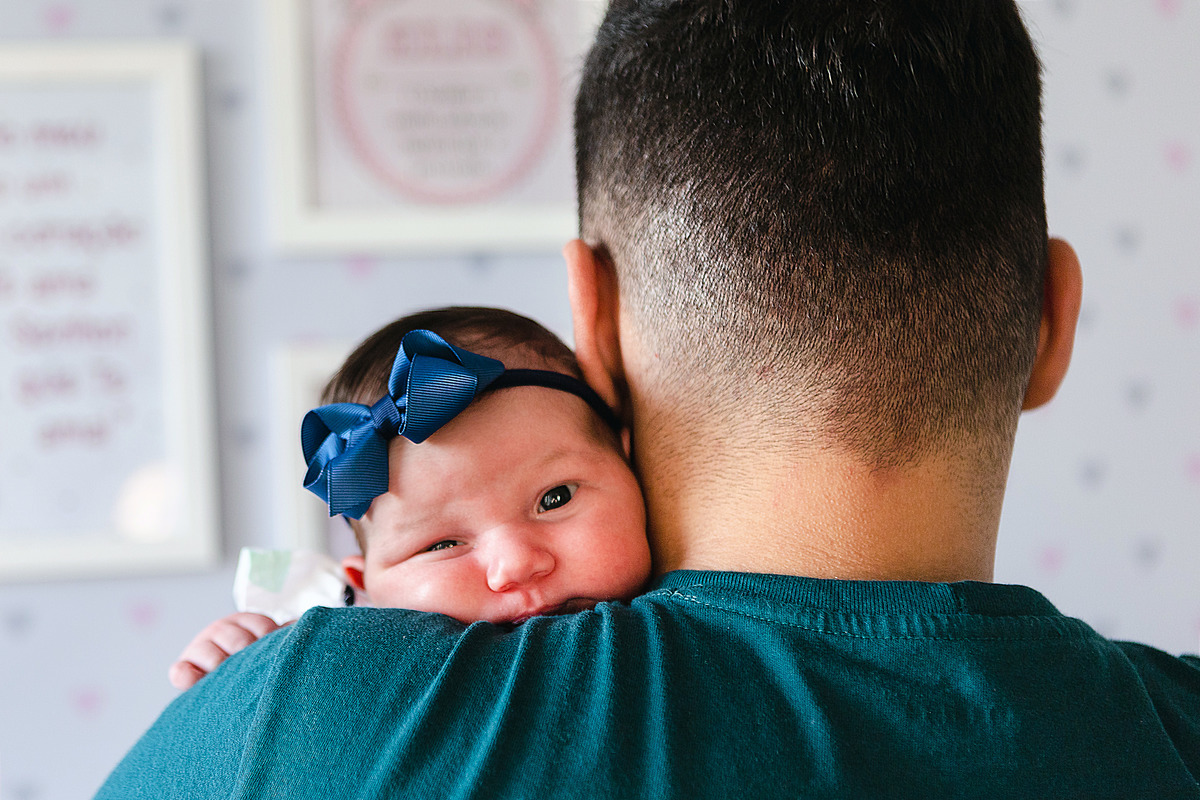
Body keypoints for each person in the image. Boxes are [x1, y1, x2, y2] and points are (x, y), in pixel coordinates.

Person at [96, 1, 1200, 797]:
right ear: (1053, 320)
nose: (510, 562)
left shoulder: (303, 716)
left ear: (597, 324)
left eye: (550, 499)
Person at [167, 306, 652, 691]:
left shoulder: (687, 599)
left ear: (633, 467)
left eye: (556, 498)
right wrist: (255, 659)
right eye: (442, 544)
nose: (516, 564)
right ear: (366, 588)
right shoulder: (351, 649)